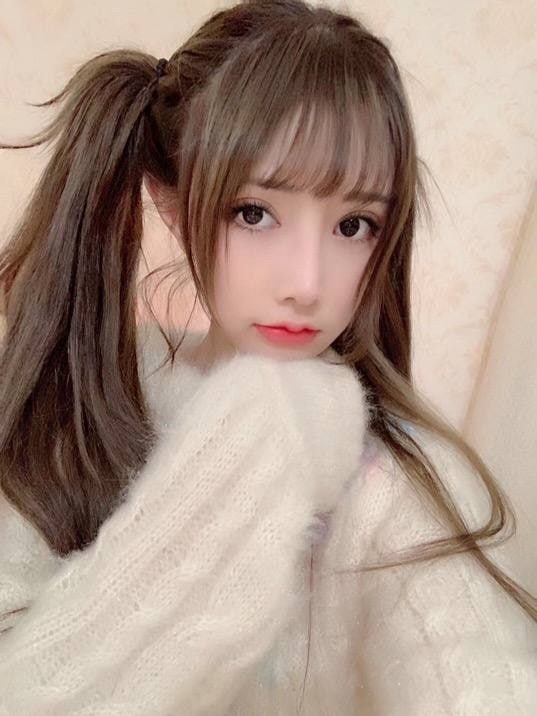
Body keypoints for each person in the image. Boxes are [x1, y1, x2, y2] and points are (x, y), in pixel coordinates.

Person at [0, 0, 535, 713]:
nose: (307, 284)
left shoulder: (398, 481)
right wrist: (257, 440)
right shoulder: (71, 413)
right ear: (170, 202)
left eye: (354, 224)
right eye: (254, 213)